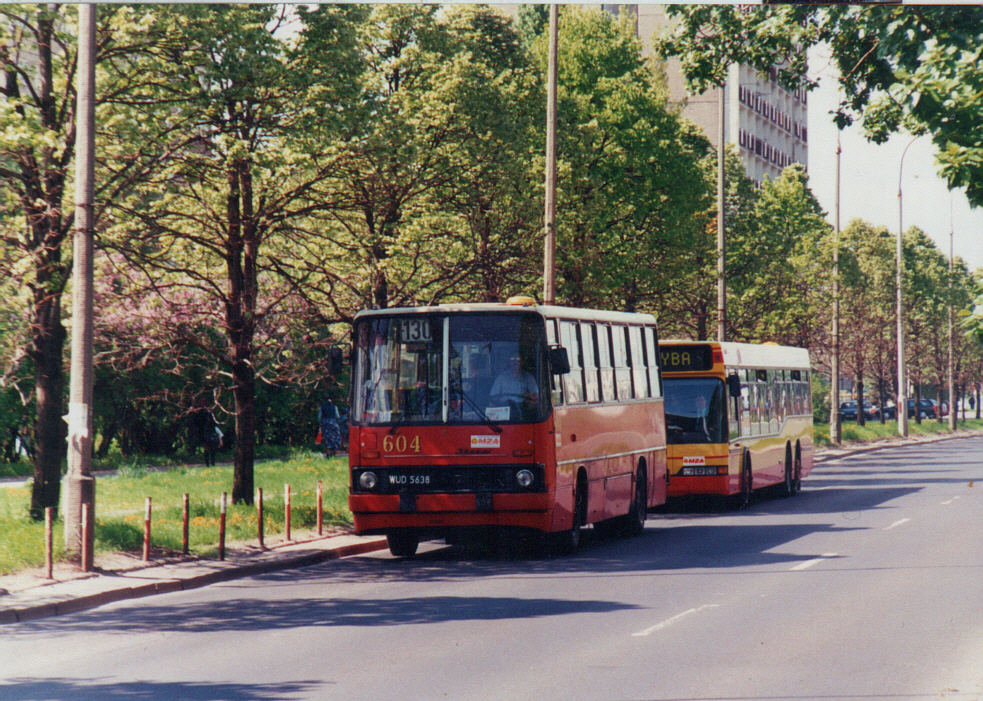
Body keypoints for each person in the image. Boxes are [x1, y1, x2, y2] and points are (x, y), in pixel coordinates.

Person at [489, 353, 539, 418]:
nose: (515, 362)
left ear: (522, 362)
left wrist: (530, 397)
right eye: (512, 359)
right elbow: (493, 397)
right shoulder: (501, 377)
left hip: (522, 409)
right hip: (505, 408)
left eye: (518, 359)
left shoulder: (528, 377)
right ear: (510, 362)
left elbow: (536, 396)